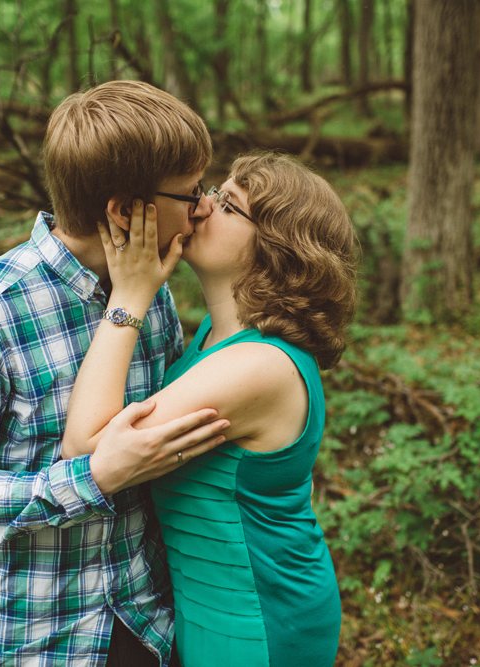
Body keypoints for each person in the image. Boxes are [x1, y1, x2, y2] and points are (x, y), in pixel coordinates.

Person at [0, 80, 232, 667]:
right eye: (190, 193)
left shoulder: (150, 293)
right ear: (124, 210)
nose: (205, 206)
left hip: (145, 624)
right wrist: (91, 478)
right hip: (35, 638)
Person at [61, 151, 358, 667]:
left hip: (255, 617)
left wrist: (129, 295)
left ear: (275, 248)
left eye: (227, 204)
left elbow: (87, 446)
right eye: (211, 192)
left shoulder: (259, 365)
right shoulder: (215, 337)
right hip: (208, 604)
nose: (199, 206)